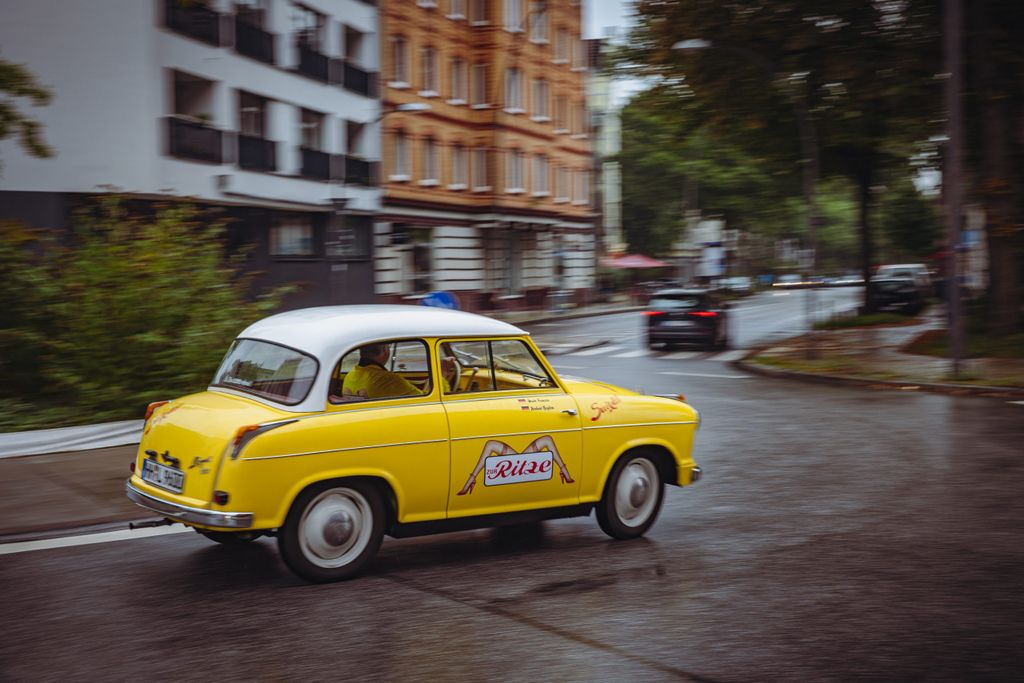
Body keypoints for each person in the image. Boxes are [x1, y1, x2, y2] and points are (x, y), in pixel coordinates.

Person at [341, 342, 458, 400]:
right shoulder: (387, 379)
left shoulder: (351, 375)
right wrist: (442, 373)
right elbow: (426, 400)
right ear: (386, 351)